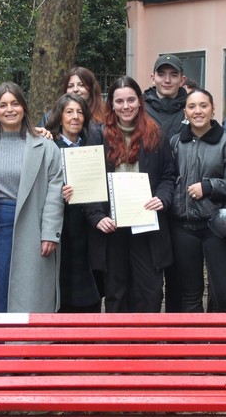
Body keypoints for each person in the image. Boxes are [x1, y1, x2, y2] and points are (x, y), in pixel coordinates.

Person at [0, 82, 64, 314]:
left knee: (27, 290)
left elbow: (54, 192)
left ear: (24, 108)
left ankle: (23, 337)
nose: (9, 109)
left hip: (31, 224)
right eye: (3, 105)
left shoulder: (46, 147)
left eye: (15, 104)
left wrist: (50, 232)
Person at [85, 76, 175, 313]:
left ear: (140, 101)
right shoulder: (98, 135)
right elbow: (90, 180)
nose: (126, 106)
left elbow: (168, 175)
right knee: (116, 291)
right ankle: (118, 338)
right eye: (119, 101)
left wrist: (162, 198)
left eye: (131, 100)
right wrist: (96, 216)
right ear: (111, 104)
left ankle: (147, 337)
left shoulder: (155, 133)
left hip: (146, 223)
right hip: (112, 226)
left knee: (149, 291)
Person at [169, 88, 226, 313]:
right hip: (183, 227)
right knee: (189, 295)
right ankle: (194, 336)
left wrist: (209, 186)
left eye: (203, 106)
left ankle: (223, 335)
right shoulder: (175, 142)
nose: (198, 111)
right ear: (185, 112)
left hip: (218, 227)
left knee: (223, 294)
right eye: (192, 106)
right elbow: (167, 179)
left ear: (213, 110)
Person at [45, 93, 102, 312]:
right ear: (60, 117)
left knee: (90, 287)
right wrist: (58, 192)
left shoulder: (93, 145)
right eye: (69, 112)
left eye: (79, 112)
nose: (75, 117)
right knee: (65, 285)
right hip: (63, 227)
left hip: (89, 226)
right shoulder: (49, 146)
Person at [143, 54, 189, 312]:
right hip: (149, 201)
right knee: (150, 273)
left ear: (182, 79)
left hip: (184, 201)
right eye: (162, 74)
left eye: (173, 75)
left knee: (180, 276)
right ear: (153, 78)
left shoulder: (192, 107)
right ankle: (148, 326)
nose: (167, 80)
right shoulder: (140, 108)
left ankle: (176, 328)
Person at [39, 67, 105, 128]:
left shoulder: (104, 119)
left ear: (91, 89)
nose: (75, 89)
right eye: (70, 86)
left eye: (81, 85)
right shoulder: (49, 118)